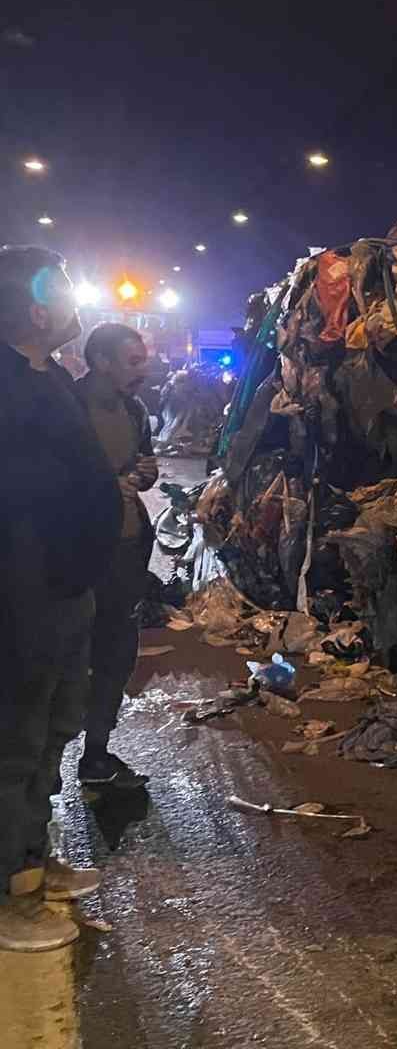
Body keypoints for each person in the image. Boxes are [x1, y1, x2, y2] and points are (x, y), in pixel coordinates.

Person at [0, 246, 121, 952]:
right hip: (26, 596)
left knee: (52, 729)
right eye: (66, 289)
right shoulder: (8, 387)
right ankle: (8, 893)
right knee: (13, 741)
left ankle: (30, 860)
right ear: (38, 310)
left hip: (67, 589)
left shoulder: (48, 378)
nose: (78, 301)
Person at [75, 323, 159, 789]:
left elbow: (141, 468)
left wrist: (144, 473)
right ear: (101, 362)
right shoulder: (65, 408)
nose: (143, 370)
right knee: (65, 656)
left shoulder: (135, 409)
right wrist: (108, 487)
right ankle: (35, 773)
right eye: (133, 361)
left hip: (125, 548)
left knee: (116, 654)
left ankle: (96, 754)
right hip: (73, 551)